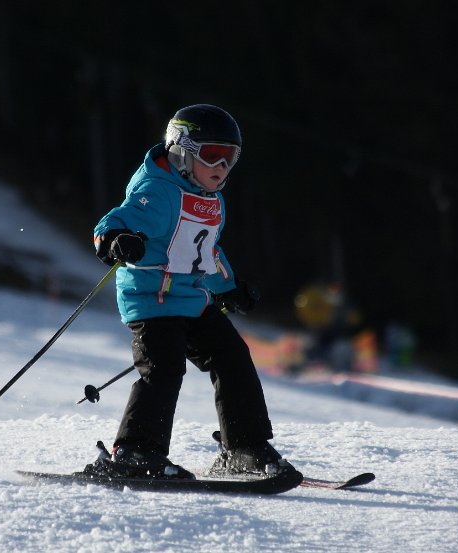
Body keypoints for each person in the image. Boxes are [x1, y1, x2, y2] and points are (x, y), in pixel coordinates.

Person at [88, 104, 300, 480]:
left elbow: (206, 252)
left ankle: (244, 446)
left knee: (233, 357)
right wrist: (116, 240)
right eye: (211, 155)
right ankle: (137, 452)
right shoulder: (158, 192)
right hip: (153, 301)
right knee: (164, 368)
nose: (221, 167)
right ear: (181, 151)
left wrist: (229, 288)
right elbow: (114, 221)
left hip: (192, 299)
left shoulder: (210, 197)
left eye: (230, 157)